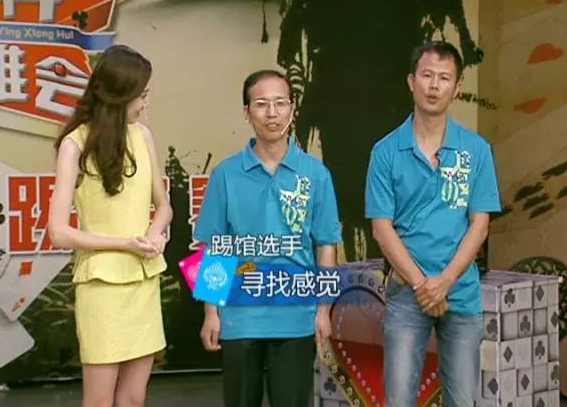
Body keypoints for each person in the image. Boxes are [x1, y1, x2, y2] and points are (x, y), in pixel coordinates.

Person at [194, 69, 342, 407]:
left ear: (292, 108)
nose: (272, 113)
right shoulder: (226, 174)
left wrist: (323, 310)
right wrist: (210, 312)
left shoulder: (315, 174)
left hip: (295, 317)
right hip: (239, 317)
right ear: (247, 112)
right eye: (261, 104)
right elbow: (215, 247)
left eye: (280, 103)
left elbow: (326, 246)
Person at [365, 41, 501, 407]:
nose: (434, 86)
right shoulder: (385, 151)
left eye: (444, 78)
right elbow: (381, 228)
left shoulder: (476, 150)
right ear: (412, 81)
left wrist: (445, 282)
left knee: (463, 400)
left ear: (457, 88)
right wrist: (422, 284)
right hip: (407, 292)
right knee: (399, 399)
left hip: (460, 291)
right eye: (427, 75)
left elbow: (480, 225)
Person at [48, 44, 172, 407]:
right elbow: (58, 232)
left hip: (143, 278)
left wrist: (154, 233)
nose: (146, 104)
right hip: (101, 285)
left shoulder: (142, 135)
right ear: (119, 95)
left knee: (134, 398)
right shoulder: (75, 145)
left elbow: (164, 205)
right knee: (100, 400)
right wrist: (125, 244)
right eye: (141, 95)